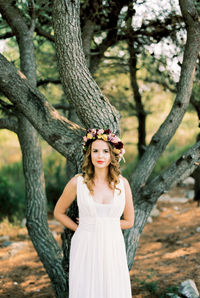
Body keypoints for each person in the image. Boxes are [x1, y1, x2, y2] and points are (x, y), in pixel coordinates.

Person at [54, 128, 134, 298]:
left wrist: (104, 225)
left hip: (112, 244)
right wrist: (81, 228)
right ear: (89, 154)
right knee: (86, 288)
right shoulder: (78, 182)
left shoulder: (123, 184)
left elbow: (129, 221)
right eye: (95, 151)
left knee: (112, 288)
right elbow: (58, 212)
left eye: (105, 151)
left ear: (113, 154)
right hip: (85, 243)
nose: (100, 156)